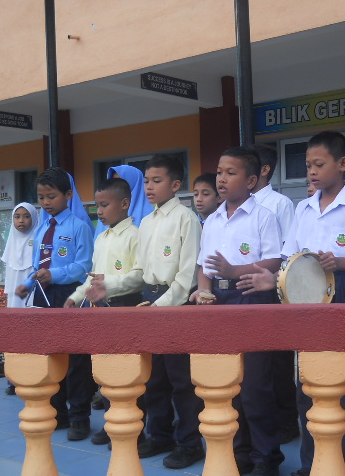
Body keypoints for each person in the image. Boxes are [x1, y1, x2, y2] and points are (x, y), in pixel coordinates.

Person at [237, 131, 345, 476]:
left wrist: (341, 262)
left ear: (343, 163)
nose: (311, 172)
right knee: (309, 386)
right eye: (307, 166)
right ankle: (311, 466)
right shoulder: (303, 208)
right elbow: (290, 259)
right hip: (305, 301)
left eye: (319, 164)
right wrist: (271, 280)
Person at [191, 146, 284, 476]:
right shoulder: (212, 220)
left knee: (256, 384)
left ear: (252, 181)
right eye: (219, 172)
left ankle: (266, 457)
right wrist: (204, 289)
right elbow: (204, 265)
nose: (222, 179)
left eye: (231, 173)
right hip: (219, 302)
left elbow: (274, 261)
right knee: (227, 381)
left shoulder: (263, 216)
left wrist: (234, 271)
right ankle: (241, 452)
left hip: (253, 300)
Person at [135, 154, 205, 470]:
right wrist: (107, 286)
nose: (149, 186)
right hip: (149, 301)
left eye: (157, 180)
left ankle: (189, 443)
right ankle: (159, 435)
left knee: (181, 380)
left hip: (175, 305)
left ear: (175, 184)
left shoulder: (186, 219)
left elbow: (188, 275)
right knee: (154, 378)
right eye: (146, 181)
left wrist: (159, 307)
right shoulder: (146, 222)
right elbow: (140, 271)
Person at [64, 177, 145, 445]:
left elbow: (140, 276)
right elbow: (92, 277)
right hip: (100, 311)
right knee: (105, 372)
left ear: (124, 204)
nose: (99, 211)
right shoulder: (101, 238)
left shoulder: (135, 235)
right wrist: (76, 297)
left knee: (127, 372)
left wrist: (108, 285)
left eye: (104, 205)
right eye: (97, 206)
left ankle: (134, 425)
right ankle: (112, 422)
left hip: (125, 308)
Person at [15, 167, 95, 441]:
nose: (46, 202)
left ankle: (80, 417)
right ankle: (59, 412)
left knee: (76, 359)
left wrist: (56, 275)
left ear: (68, 195)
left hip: (69, 296)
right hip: (42, 294)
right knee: (50, 356)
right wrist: (27, 284)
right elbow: (37, 265)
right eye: (41, 197)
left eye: (52, 196)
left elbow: (84, 266)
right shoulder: (42, 228)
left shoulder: (79, 227)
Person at [249, 143, 299, 445]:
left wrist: (275, 283)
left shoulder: (280, 204)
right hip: (245, 291)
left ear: (263, 170)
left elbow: (288, 251)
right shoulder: (236, 205)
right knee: (254, 362)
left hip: (272, 288)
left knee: (278, 359)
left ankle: (287, 420)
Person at [1, 202, 39, 395]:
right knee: (14, 336)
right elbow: (9, 275)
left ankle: (32, 377)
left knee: (32, 335)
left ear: (34, 218)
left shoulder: (39, 239)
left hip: (32, 298)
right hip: (14, 301)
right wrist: (10, 295)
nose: (21, 221)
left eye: (26, 216)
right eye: (17, 217)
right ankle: (13, 380)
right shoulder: (11, 242)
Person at [93, 164, 153, 237]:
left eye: (120, 181)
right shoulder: (105, 216)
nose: (116, 185)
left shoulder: (151, 217)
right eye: (113, 181)